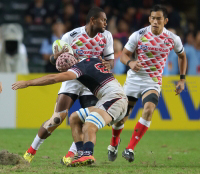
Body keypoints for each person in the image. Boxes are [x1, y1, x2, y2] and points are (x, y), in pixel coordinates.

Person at [22, 7, 114, 164]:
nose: (106, 22)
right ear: (93, 20)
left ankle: (71, 154)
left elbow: (110, 61)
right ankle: (30, 152)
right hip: (72, 79)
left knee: (89, 120)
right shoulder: (71, 36)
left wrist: (108, 64)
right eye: (103, 20)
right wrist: (56, 57)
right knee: (57, 118)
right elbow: (55, 60)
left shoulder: (107, 36)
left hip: (90, 82)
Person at [12, 54, 128, 166]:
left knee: (89, 125)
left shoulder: (78, 69)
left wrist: (27, 83)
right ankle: (80, 154)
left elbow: (54, 78)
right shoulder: (93, 59)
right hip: (112, 98)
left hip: (114, 99)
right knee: (74, 118)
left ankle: (88, 154)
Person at [107, 4, 187, 162]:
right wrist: (130, 63)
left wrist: (182, 79)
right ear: (149, 19)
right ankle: (114, 143)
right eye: (153, 18)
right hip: (133, 80)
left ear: (165, 20)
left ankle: (130, 148)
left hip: (153, 81)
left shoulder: (172, 38)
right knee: (121, 118)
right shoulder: (139, 35)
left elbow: (182, 56)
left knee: (149, 109)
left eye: (158, 19)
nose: (155, 21)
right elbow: (124, 55)